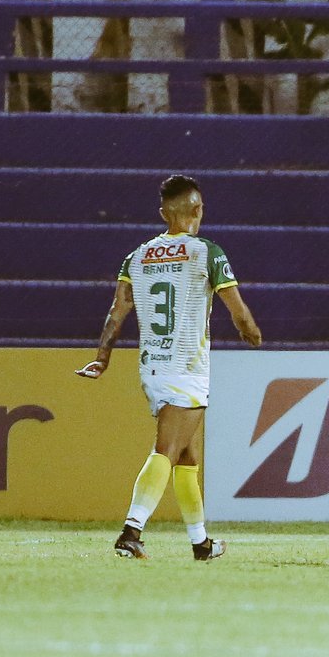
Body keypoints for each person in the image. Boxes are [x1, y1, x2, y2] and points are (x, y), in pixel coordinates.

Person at [76, 174, 263, 561]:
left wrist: (103, 357)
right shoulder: (206, 252)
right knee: (168, 448)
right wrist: (253, 334)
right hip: (187, 366)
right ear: (198, 210)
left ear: (164, 213)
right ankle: (131, 530)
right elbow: (238, 311)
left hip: (153, 366)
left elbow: (117, 311)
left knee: (187, 456)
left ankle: (201, 543)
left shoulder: (138, 256)